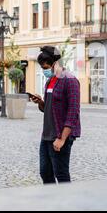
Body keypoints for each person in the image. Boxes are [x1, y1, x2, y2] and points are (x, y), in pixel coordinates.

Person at [30, 46, 81, 184]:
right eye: (41, 67)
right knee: (45, 173)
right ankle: (51, 202)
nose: (44, 70)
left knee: (61, 174)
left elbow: (73, 112)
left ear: (55, 63)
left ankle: (67, 204)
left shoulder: (70, 80)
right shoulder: (49, 81)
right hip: (46, 135)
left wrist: (62, 138)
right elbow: (48, 108)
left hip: (60, 135)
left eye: (45, 66)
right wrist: (41, 102)